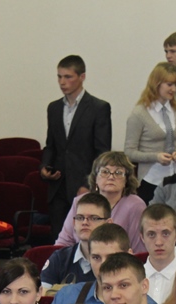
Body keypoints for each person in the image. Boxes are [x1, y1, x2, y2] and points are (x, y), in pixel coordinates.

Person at [41, 54, 113, 229]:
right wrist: (44, 167)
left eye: (68, 77)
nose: (62, 82)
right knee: (58, 236)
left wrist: (89, 184)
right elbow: (51, 145)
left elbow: (102, 153)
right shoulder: (54, 108)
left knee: (84, 234)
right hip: (58, 186)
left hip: (83, 184)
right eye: (59, 77)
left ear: (82, 77)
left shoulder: (98, 108)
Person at [45, 223, 132, 304]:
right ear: (89, 258)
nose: (103, 265)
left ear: (129, 256)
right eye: (96, 257)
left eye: (111, 258)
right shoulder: (65, 297)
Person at [55, 151, 147, 252]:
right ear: (95, 178)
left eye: (118, 173)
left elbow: (138, 250)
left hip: (118, 260)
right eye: (105, 172)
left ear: (126, 180)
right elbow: (63, 242)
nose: (111, 177)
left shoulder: (136, 205)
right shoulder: (80, 201)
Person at [125, 61, 176, 203]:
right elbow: (129, 152)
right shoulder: (139, 113)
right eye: (169, 84)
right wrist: (155, 156)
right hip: (151, 178)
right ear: (157, 84)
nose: (174, 89)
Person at [40, 192, 109, 291]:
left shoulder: (118, 261)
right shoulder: (59, 258)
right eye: (80, 218)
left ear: (108, 224)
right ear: (74, 223)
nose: (85, 222)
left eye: (93, 218)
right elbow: (42, 297)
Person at [140, 203, 176, 304]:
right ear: (142, 237)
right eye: (151, 234)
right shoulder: (133, 279)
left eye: (165, 233)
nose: (158, 242)